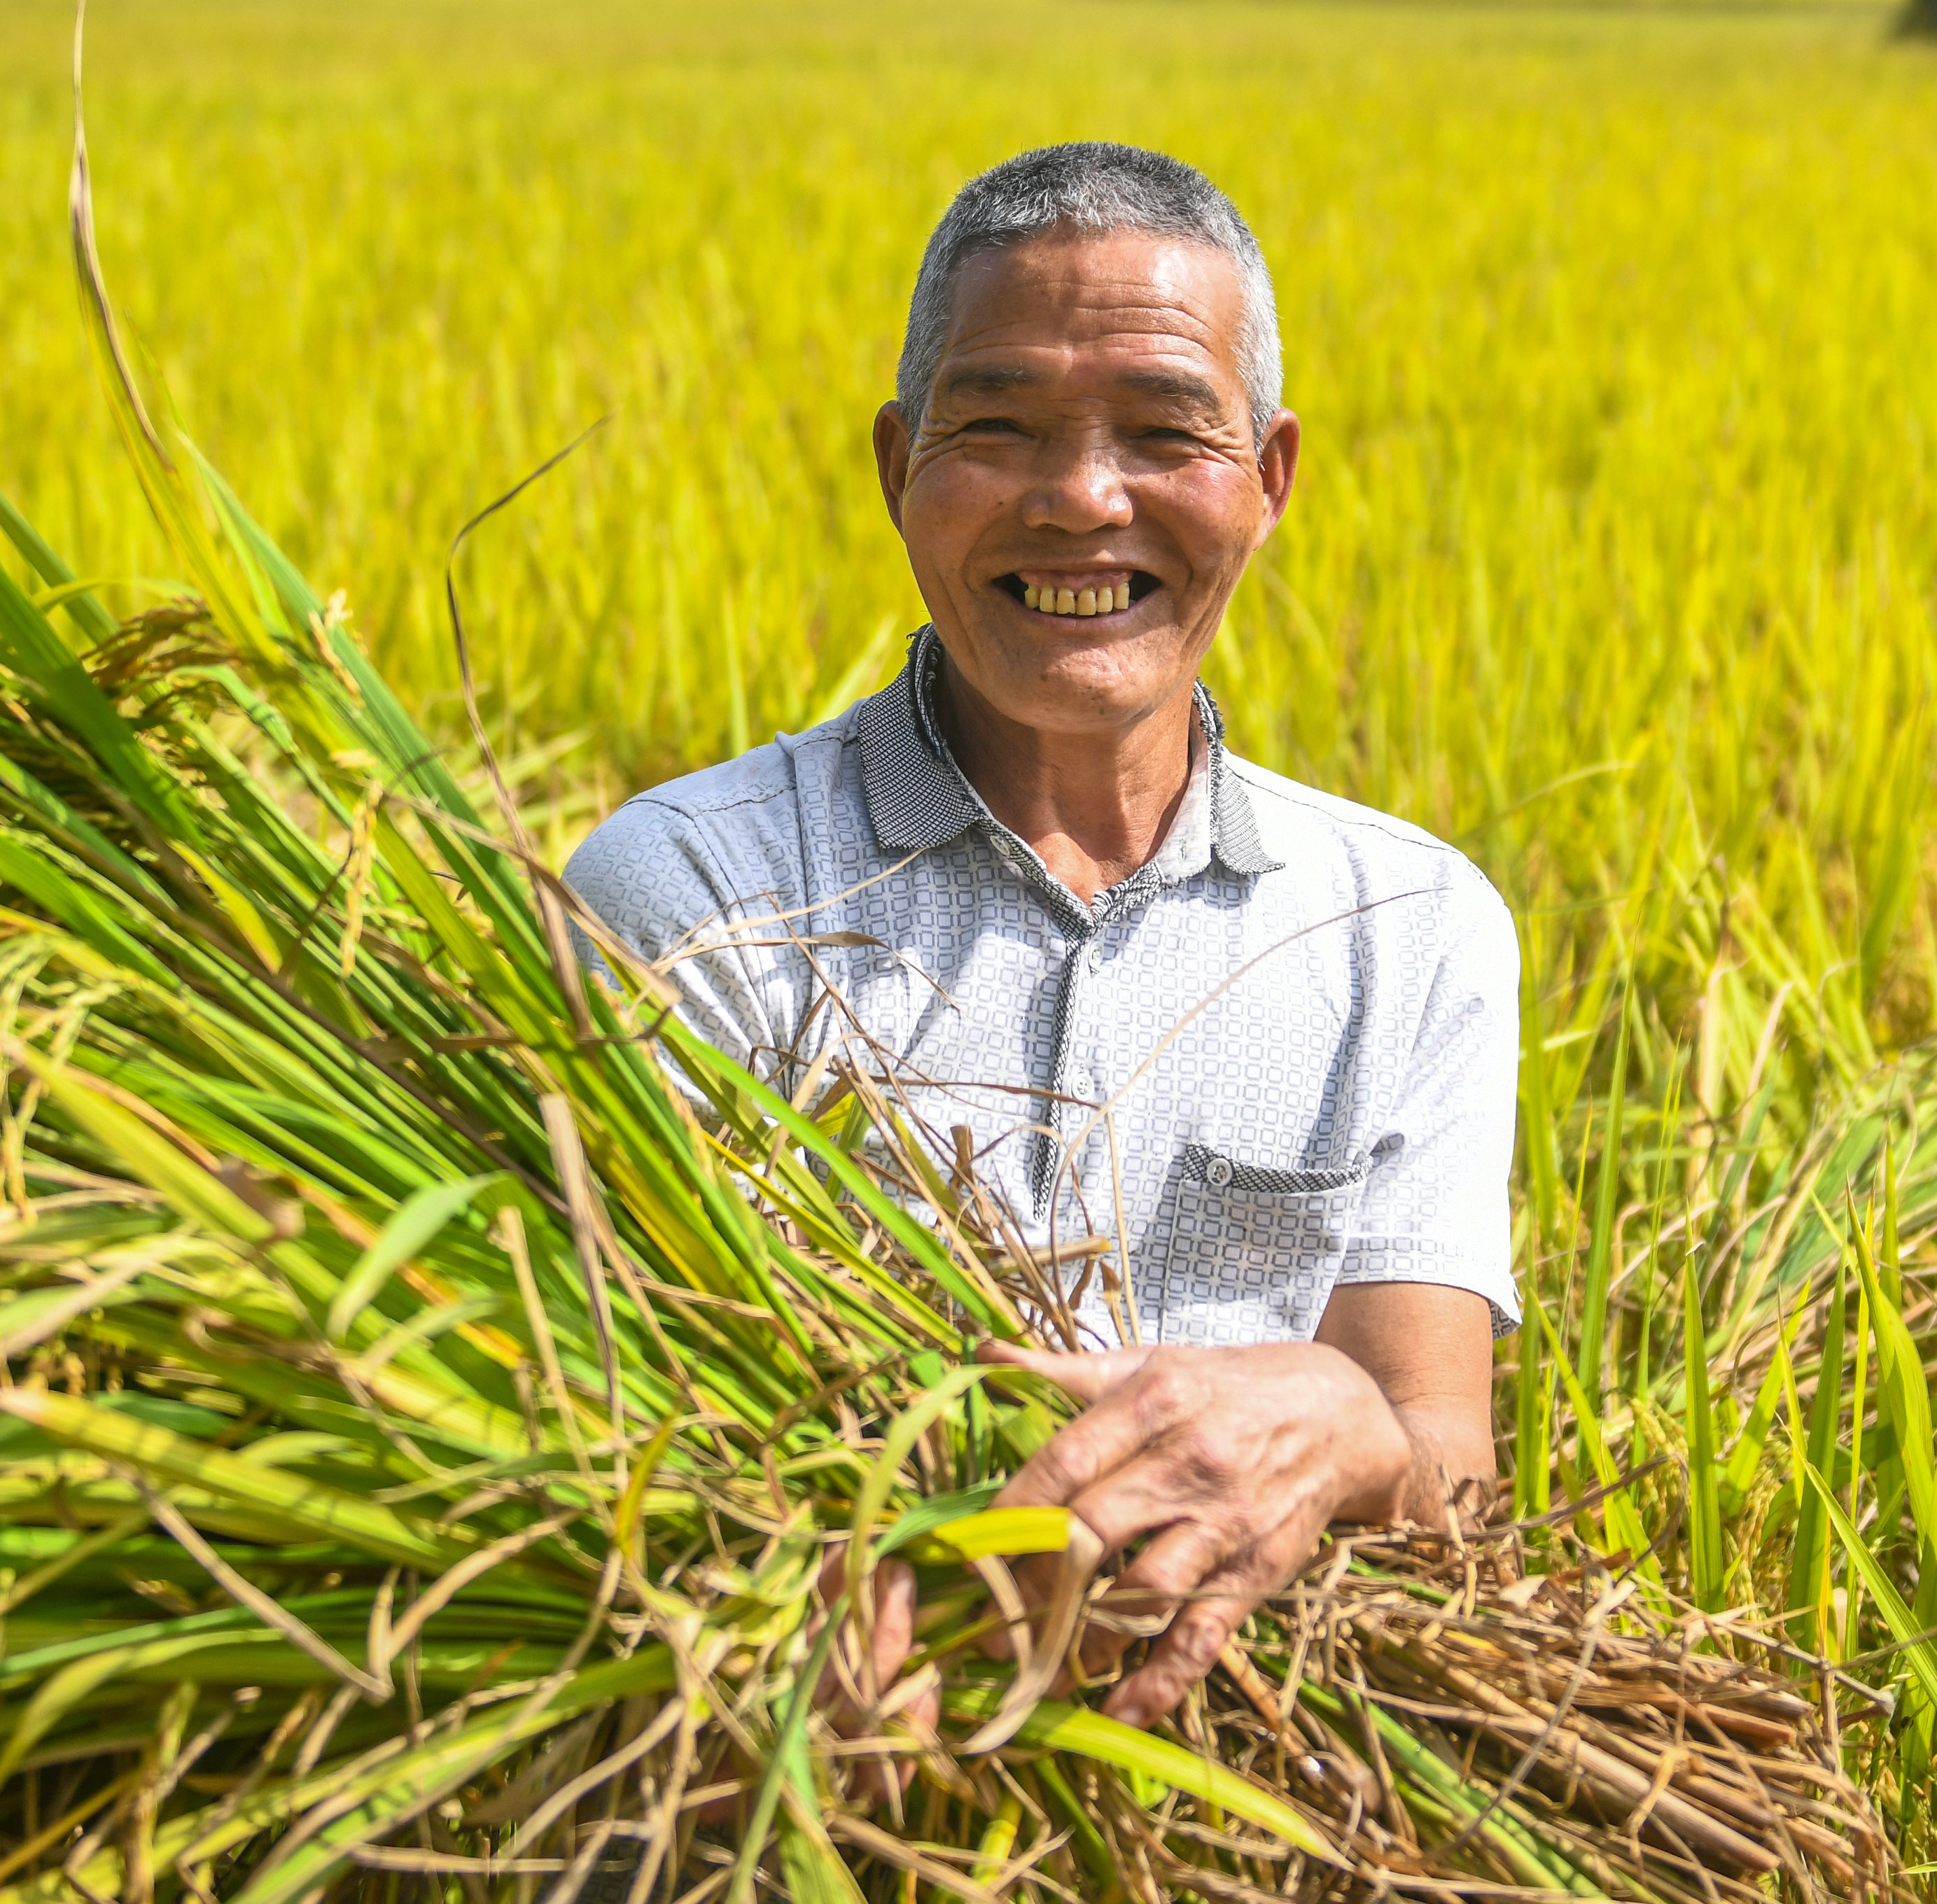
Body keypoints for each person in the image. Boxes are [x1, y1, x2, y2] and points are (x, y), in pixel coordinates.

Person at [564, 144, 1518, 1735]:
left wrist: (1345, 1423)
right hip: (818, 1751)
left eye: (1165, 431)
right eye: (997, 426)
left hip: (1288, 1770)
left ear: (1269, 478)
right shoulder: (687, 896)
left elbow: (1448, 1476)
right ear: (896, 469)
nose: (1082, 497)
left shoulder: (1405, 927)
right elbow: (619, 1443)